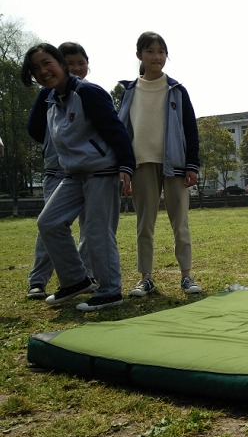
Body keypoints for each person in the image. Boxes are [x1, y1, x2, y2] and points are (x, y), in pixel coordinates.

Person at [22, 43, 135, 310]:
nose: (43, 71)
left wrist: (126, 167)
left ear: (61, 63)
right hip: (73, 174)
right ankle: (75, 280)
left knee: (97, 231)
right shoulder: (50, 101)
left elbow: (116, 130)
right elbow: (38, 132)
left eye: (47, 63)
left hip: (102, 171)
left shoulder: (87, 92)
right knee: (49, 222)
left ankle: (110, 291)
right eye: (35, 68)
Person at [117, 32, 202, 297]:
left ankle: (186, 275)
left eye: (161, 51)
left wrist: (192, 165)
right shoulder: (129, 92)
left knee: (181, 222)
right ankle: (146, 278)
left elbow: (190, 129)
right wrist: (125, 168)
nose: (157, 57)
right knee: (144, 224)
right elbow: (122, 132)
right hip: (142, 163)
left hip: (174, 164)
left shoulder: (177, 90)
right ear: (139, 55)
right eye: (150, 51)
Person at [25, 42, 94, 300]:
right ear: (61, 65)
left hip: (89, 172)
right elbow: (34, 128)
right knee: (50, 225)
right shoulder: (47, 94)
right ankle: (38, 280)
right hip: (57, 171)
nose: (76, 68)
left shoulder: (87, 92)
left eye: (81, 62)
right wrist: (53, 143)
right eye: (70, 63)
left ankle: (86, 275)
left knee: (90, 227)